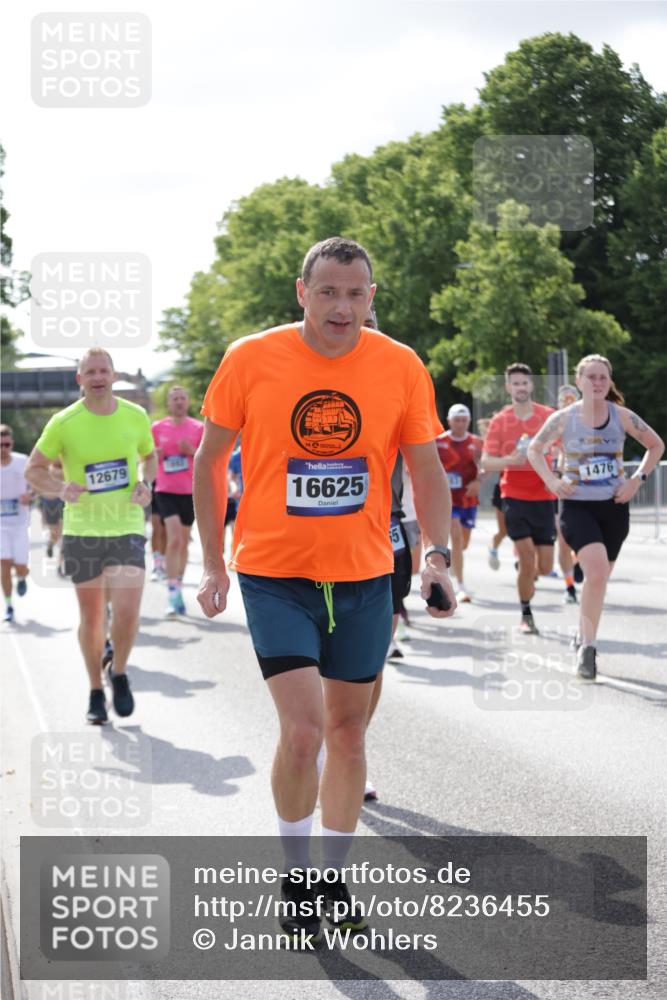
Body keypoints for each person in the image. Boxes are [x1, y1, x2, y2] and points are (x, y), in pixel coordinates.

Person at [195, 237, 456, 942]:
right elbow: (210, 459)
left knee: (347, 732)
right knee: (304, 730)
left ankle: (332, 877)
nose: (343, 305)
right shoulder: (251, 357)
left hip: (368, 573)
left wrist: (435, 554)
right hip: (275, 572)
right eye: (329, 291)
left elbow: (425, 469)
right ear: (301, 290)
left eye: (357, 292)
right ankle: (294, 870)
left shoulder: (399, 364)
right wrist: (213, 561)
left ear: (372, 296)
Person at [25, 348, 157, 723]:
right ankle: (95, 691)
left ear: (114, 376)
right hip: (83, 530)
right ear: (79, 379)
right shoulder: (64, 422)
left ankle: (119, 672)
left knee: (128, 614)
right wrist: (58, 488)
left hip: (127, 525)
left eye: (104, 371)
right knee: (93, 616)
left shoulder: (136, 415)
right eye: (90, 372)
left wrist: (146, 483)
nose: (98, 377)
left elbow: (149, 456)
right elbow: (34, 470)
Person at [528, 354, 664, 680]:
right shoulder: (564, 419)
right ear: (579, 382)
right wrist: (551, 480)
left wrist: (636, 481)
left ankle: (582, 632)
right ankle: (587, 647)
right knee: (598, 572)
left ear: (610, 381)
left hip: (615, 507)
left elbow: (655, 445)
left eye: (603, 377)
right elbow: (535, 449)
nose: (598, 383)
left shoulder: (622, 416)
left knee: (598, 581)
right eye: (591, 377)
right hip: (577, 506)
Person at [481, 363, 556, 634]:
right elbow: (487, 462)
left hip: (544, 496)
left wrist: (556, 460)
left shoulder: (548, 416)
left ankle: (529, 574)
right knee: (526, 558)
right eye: (516, 384)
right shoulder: (501, 420)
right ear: (508, 388)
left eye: (525, 383)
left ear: (531, 386)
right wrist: (510, 460)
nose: (521, 387)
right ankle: (526, 614)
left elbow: (564, 449)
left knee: (545, 567)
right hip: (513, 493)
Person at [152, 386, 204, 615]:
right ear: (169, 403)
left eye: (183, 398)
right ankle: (172, 593)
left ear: (189, 402)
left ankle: (178, 586)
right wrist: (156, 455)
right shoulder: (157, 427)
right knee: (173, 539)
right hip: (165, 489)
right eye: (175, 399)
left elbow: (206, 458)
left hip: (190, 490)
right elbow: (147, 457)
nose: (179, 402)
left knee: (183, 542)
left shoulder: (198, 427)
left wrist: (192, 451)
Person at [436, 404, 483, 602]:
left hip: (468, 498)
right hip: (447, 499)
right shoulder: (439, 442)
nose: (461, 424)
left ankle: (456, 562)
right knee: (455, 537)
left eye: (464, 420)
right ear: (449, 420)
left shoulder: (477, 442)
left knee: (462, 544)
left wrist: (479, 481)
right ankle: (461, 586)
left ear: (469, 421)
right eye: (457, 420)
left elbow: (485, 466)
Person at [1, 424, 32, 623]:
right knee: (4, 564)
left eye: (6, 444)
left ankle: (21, 577)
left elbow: (35, 485)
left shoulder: (22, 462)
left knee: (20, 566)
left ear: (12, 443)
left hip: (20, 523)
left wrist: (30, 495)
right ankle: (9, 605)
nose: (3, 448)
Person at [554, 384, 580, 603]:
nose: (569, 403)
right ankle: (569, 586)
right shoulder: (552, 425)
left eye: (573, 399)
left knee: (579, 539)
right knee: (563, 539)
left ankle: (577, 557)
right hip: (561, 486)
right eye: (565, 400)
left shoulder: (589, 423)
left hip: (585, 487)